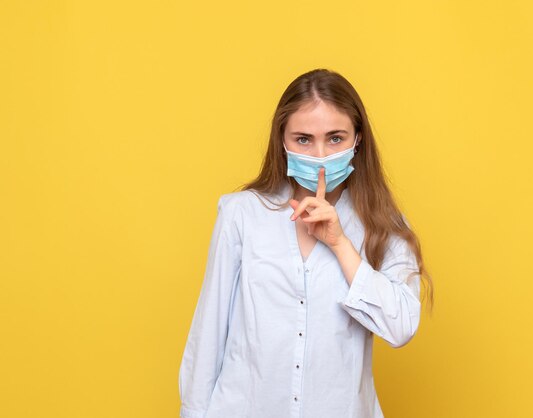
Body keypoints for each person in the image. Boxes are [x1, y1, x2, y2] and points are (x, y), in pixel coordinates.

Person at [178, 68, 434, 418]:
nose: (319, 155)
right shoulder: (242, 214)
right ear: (282, 141)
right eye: (303, 139)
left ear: (357, 139)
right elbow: (209, 330)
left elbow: (401, 326)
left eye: (334, 138)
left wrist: (341, 244)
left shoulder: (382, 225)